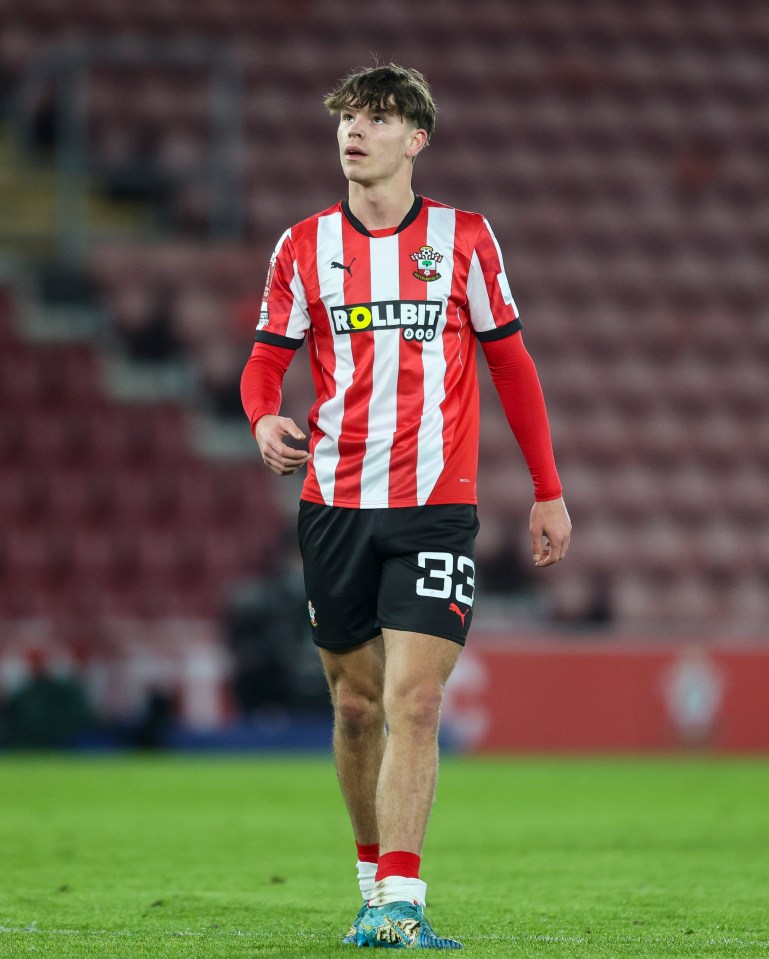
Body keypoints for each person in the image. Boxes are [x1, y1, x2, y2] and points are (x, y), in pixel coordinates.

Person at [241, 63, 571, 950]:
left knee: (414, 701)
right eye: (347, 116)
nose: (355, 130)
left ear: (416, 139)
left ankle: (401, 902)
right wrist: (263, 414)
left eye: (378, 118)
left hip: (433, 504)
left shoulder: (464, 239)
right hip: (335, 503)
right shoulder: (302, 246)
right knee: (354, 708)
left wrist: (547, 489)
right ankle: (367, 878)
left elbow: (511, 364)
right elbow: (266, 359)